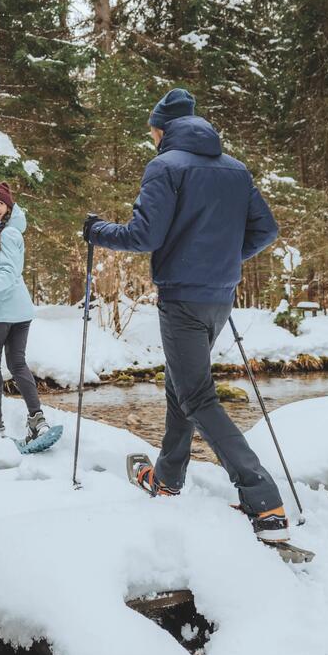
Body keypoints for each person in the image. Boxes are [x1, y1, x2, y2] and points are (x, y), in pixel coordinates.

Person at [83, 88, 289, 542]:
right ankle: (168, 479)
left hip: (182, 298)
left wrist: (96, 231)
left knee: (196, 396)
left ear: (161, 129)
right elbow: (266, 229)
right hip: (220, 296)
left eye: (150, 131)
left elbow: (143, 235)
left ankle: (264, 500)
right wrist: (226, 261)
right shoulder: (235, 170)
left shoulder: (165, 166)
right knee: (180, 385)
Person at [0, 182, 53, 445]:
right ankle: (37, 419)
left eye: (0, 204)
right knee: (17, 364)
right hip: (18, 311)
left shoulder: (8, 234)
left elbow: (8, 274)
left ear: (8, 207)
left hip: (2, 311)